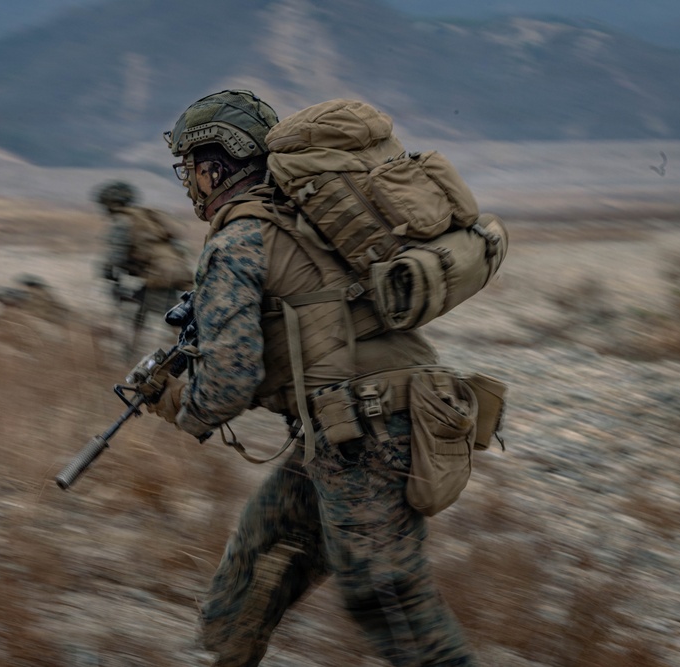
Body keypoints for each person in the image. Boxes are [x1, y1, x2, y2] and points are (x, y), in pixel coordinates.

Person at [147, 89, 476, 665]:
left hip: (368, 432)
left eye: (192, 169)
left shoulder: (239, 238)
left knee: (387, 600)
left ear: (215, 166)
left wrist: (176, 401)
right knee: (257, 554)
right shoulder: (309, 217)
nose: (191, 183)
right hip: (351, 428)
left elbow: (228, 381)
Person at [94, 180, 193, 351]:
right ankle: (130, 353)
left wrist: (109, 274)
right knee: (140, 310)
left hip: (160, 275)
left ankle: (191, 353)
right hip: (177, 270)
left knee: (172, 318)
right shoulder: (145, 217)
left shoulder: (122, 221)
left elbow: (116, 256)